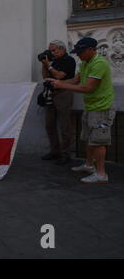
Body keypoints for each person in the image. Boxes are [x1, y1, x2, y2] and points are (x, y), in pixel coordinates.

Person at [47, 37, 116, 184]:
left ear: (91, 50)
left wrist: (62, 86)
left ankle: (101, 174)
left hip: (102, 109)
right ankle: (89, 165)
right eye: (77, 52)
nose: (78, 55)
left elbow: (87, 88)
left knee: (98, 142)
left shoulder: (99, 63)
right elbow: (75, 81)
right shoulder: (84, 62)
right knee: (88, 139)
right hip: (91, 107)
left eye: (81, 51)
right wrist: (57, 82)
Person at [41, 40, 76, 165]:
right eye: (50, 50)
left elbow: (60, 76)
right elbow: (45, 76)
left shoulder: (69, 60)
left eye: (54, 50)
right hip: (50, 93)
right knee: (49, 125)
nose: (52, 52)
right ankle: (55, 151)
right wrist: (44, 64)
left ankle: (67, 154)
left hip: (64, 93)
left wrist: (49, 65)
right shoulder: (52, 61)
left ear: (62, 49)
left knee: (65, 125)